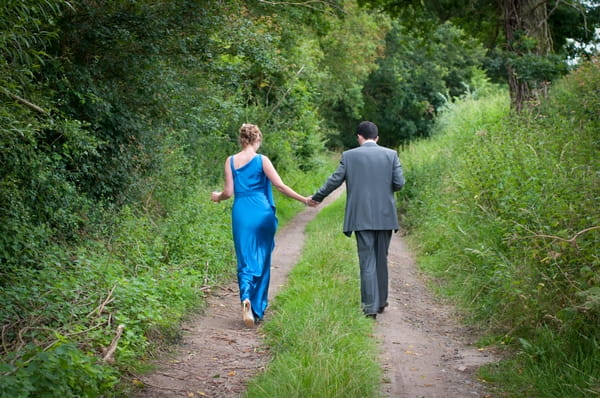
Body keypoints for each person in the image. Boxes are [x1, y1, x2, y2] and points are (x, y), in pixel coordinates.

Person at [211, 123, 311, 328]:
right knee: (262, 258)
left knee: (245, 257)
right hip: (262, 211)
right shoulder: (261, 160)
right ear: (258, 139)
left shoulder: (230, 161)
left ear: (241, 140)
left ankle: (246, 296)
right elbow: (280, 185)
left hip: (242, 212)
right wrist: (304, 200)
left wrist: (217, 197)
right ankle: (257, 309)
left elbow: (228, 192)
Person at [309, 121, 405, 319]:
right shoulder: (391, 155)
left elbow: (334, 180)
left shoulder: (349, 156)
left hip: (361, 216)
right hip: (385, 216)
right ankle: (381, 302)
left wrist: (317, 197)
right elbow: (399, 183)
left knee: (366, 260)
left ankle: (369, 307)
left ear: (359, 137)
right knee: (381, 259)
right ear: (377, 138)